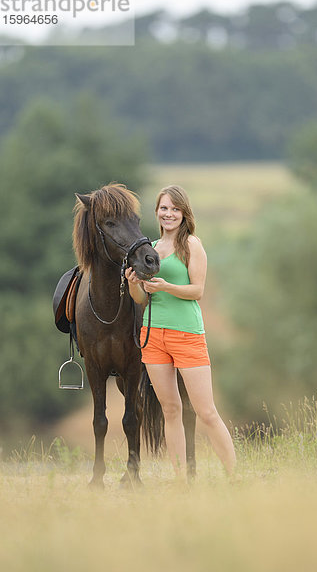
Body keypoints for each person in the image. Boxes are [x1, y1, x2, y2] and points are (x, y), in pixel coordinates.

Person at [125, 185, 236, 479]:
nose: (169, 214)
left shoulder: (192, 245)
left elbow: (197, 291)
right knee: (170, 410)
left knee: (206, 412)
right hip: (153, 337)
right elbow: (141, 300)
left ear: (184, 213)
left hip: (186, 334)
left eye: (175, 209)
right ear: (157, 213)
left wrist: (167, 286)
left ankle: (234, 476)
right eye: (164, 208)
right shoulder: (150, 249)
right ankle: (180, 481)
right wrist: (133, 283)